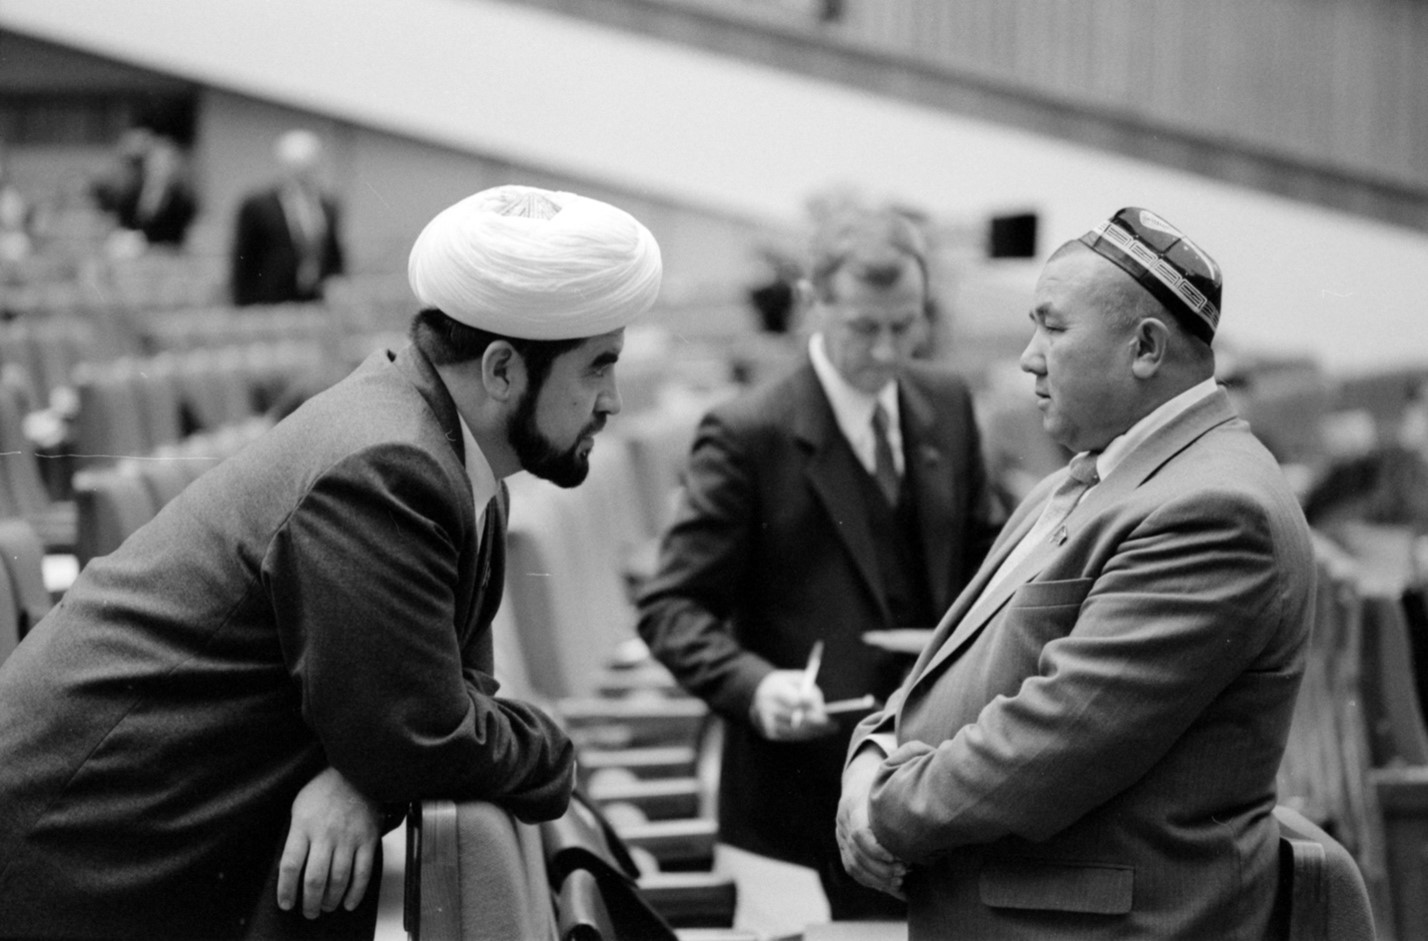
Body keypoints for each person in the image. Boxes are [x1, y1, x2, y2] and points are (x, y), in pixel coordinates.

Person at [0, 184, 663, 939]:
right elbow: (427, 734)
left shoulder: (453, 457)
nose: (611, 399)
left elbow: (438, 704)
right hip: (79, 863)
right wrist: (548, 745)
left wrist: (366, 773)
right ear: (503, 370)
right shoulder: (390, 465)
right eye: (597, 367)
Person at [837, 207, 1316, 939]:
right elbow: (955, 656)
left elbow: (1057, 737)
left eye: (1053, 328)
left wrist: (881, 807)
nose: (1029, 356)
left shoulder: (1214, 508)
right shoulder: (1094, 472)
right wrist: (871, 750)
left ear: (1146, 348)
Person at [637, 207, 1003, 920]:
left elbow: (986, 568)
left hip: (931, 780)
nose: (889, 348)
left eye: (907, 324)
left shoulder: (948, 402)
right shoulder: (748, 432)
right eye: (866, 326)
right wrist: (757, 686)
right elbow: (670, 608)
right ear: (815, 304)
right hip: (796, 797)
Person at [231, 129, 346, 306]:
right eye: (298, 167)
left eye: (309, 167)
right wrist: (243, 305)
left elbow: (334, 254)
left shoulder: (328, 205)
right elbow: (243, 261)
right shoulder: (257, 205)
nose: (304, 174)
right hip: (269, 301)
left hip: (314, 300)